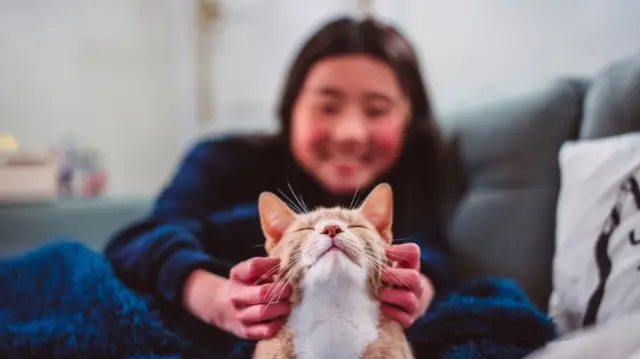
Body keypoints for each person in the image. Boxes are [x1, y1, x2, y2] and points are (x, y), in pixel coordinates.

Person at [104, 15, 457, 355]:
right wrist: (216, 300)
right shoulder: (222, 159)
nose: (350, 133)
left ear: (410, 120)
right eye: (328, 106)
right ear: (291, 107)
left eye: (377, 110)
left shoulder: (412, 177)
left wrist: (418, 290)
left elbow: (432, 254)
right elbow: (144, 238)